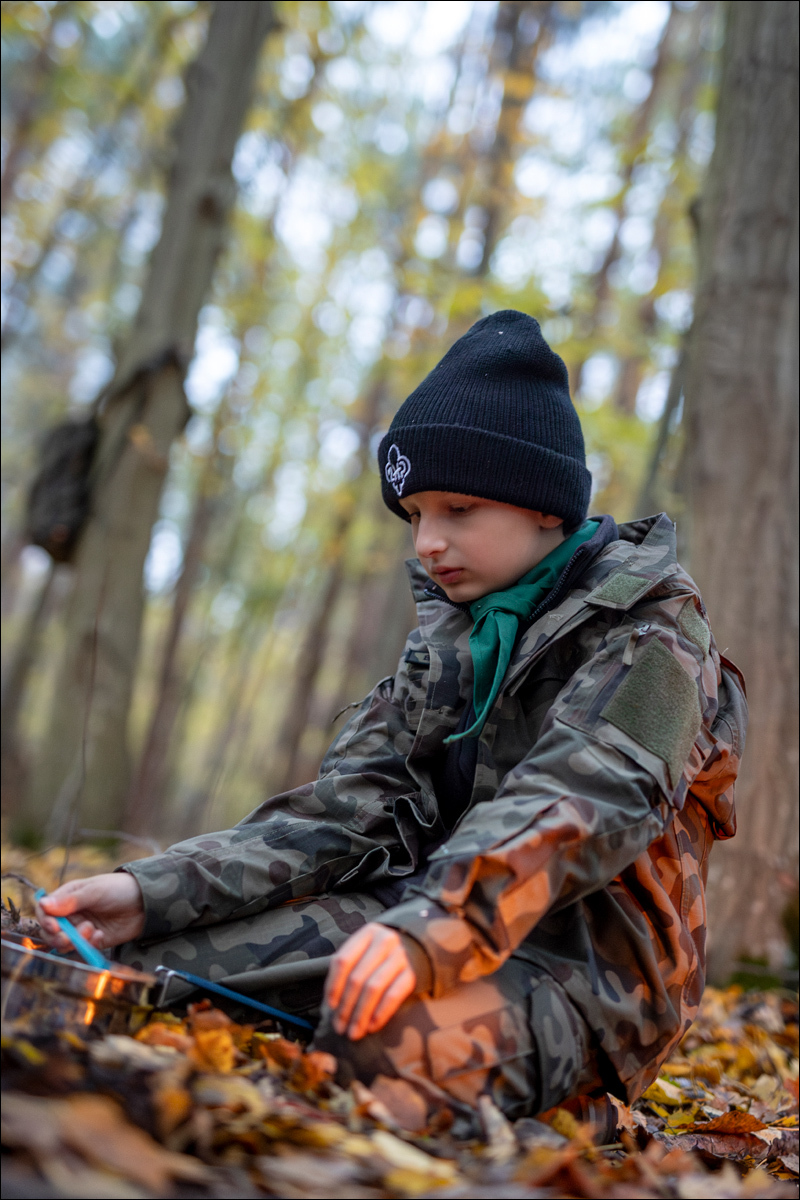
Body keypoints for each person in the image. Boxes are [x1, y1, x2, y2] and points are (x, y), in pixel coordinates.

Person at [37, 310, 746, 1131]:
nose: (427, 544)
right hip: (416, 916)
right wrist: (150, 892)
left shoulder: (653, 632)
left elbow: (580, 800)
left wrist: (436, 924)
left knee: (383, 1046)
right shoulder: (451, 641)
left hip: (590, 977)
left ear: (546, 506)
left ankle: (575, 1121)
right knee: (129, 972)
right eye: (413, 515)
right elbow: (343, 815)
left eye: (457, 508)